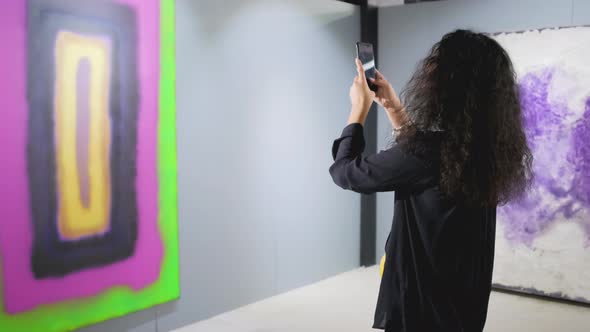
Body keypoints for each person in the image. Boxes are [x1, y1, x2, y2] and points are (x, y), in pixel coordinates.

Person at [329, 30, 533, 332]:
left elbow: (346, 172)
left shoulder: (429, 154)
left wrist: (358, 110)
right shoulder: (483, 150)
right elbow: (427, 159)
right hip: (461, 310)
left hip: (421, 312)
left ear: (450, 83)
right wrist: (394, 109)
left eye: (436, 62)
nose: (428, 68)